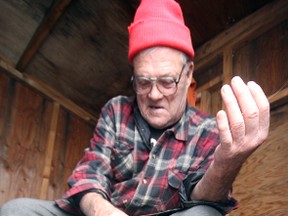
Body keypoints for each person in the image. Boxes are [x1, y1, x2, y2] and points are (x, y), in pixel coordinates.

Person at [0, 0, 270, 215]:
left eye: (166, 82)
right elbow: (90, 173)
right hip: (102, 212)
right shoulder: (116, 111)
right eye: (143, 82)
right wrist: (103, 211)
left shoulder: (207, 130)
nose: (153, 94)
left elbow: (201, 199)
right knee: (17, 210)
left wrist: (226, 164)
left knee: (203, 215)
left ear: (188, 74)